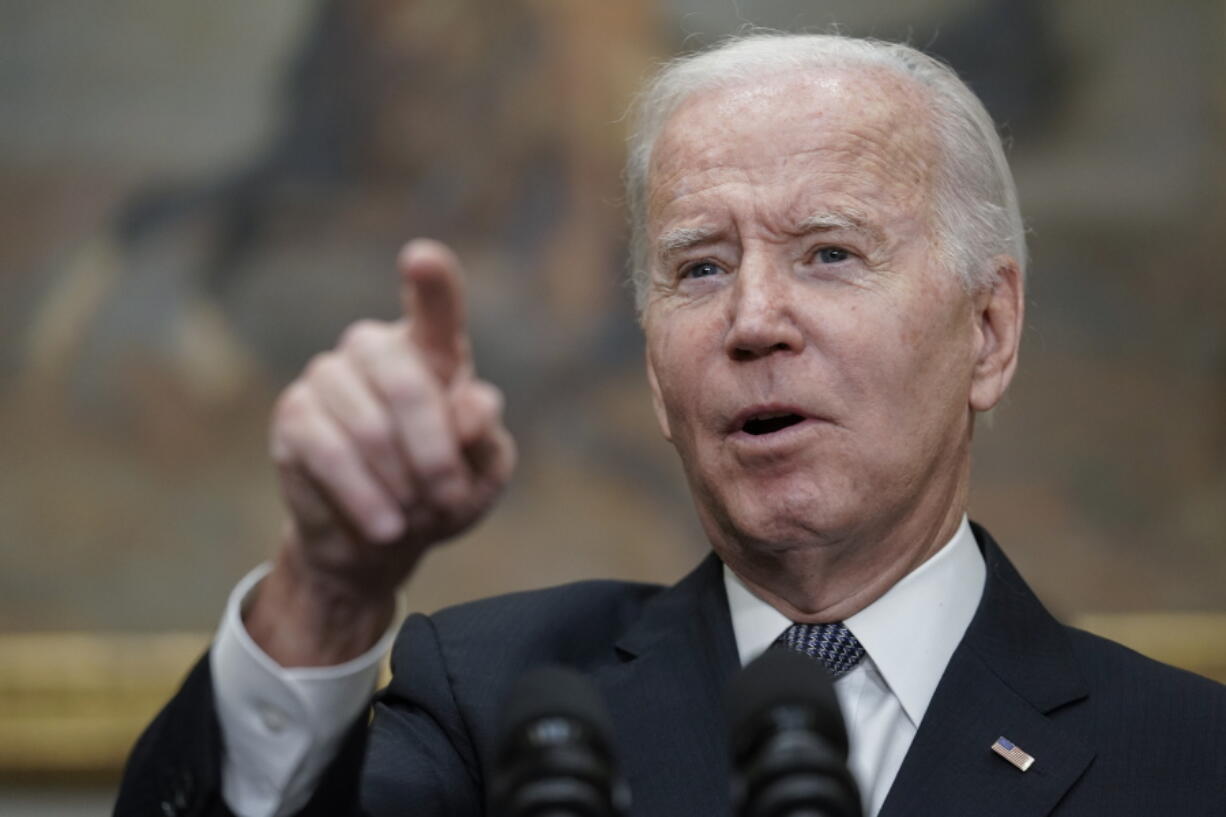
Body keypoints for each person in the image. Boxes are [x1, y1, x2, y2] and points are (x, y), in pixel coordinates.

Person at [115, 33, 1225, 817]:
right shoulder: (498, 700)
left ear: (986, 331)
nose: (750, 320)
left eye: (827, 253)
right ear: (653, 371)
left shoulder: (1189, 757)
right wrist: (328, 583)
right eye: (698, 267)